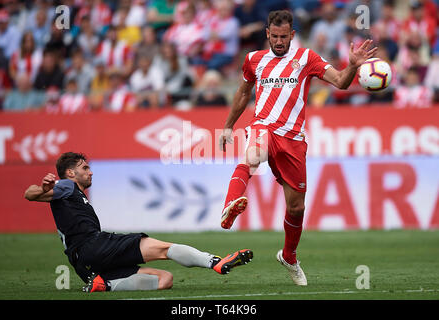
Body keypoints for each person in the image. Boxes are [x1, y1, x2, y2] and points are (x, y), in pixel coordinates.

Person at [218, 10, 377, 286]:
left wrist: (351, 65)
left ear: (292, 35)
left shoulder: (306, 58)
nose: (279, 42)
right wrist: (229, 124)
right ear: (267, 33)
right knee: (253, 155)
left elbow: (340, 82)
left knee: (296, 208)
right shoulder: (253, 60)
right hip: (264, 127)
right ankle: (229, 206)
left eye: (284, 37)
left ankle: (289, 256)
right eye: (275, 36)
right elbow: (244, 93)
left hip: (293, 140)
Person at [24, 152, 253, 293]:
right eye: (85, 168)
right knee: (164, 248)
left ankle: (104, 284)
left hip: (85, 268)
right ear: (70, 173)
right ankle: (214, 262)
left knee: (164, 280)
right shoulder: (67, 185)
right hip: (93, 246)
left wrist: (42, 191)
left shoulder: (66, 193)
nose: (91, 172)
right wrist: (43, 187)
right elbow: (30, 193)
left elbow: (33, 195)